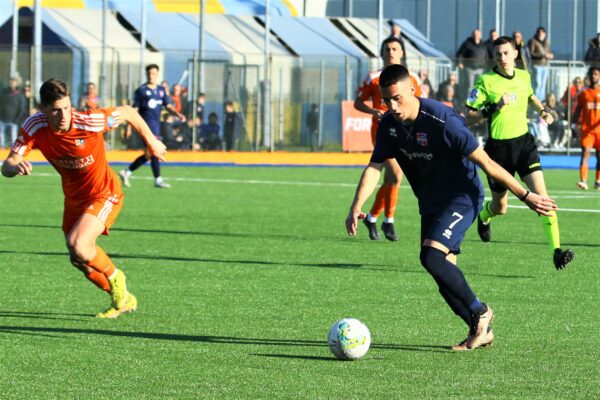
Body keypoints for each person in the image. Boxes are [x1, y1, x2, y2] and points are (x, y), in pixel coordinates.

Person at [346, 64, 558, 350]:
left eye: (397, 98)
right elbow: (374, 168)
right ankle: (480, 330)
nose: (392, 106)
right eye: (386, 100)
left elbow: (487, 164)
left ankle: (481, 310)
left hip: (463, 196)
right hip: (431, 201)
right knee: (441, 270)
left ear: (412, 89)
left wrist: (526, 195)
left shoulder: (443, 119)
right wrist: (355, 206)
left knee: (431, 256)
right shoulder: (389, 125)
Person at [1, 78, 167, 318]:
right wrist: (15, 167)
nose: (64, 115)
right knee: (78, 259)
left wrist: (151, 141)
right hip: (74, 199)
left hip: (104, 193)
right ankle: (123, 298)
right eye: (56, 110)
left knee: (78, 244)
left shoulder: (90, 121)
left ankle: (116, 278)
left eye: (67, 107)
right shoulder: (34, 126)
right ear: (44, 109)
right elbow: (7, 165)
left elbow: (129, 112)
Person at [465, 36, 573, 270]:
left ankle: (556, 251)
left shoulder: (524, 76)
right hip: (498, 151)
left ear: (515, 54)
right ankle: (485, 216)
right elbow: (468, 116)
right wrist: (495, 107)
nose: (502, 58)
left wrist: (543, 111)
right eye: (498, 54)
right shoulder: (486, 81)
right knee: (500, 207)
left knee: (543, 198)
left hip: (524, 145)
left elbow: (531, 96)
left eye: (506, 53)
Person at [354, 36, 421, 241]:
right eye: (387, 49)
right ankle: (388, 220)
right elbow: (358, 103)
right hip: (383, 133)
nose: (391, 52)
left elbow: (420, 102)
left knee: (391, 179)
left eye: (395, 49)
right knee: (395, 175)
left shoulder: (412, 79)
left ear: (402, 53)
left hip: (406, 132)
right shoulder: (373, 77)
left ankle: (373, 216)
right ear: (382, 54)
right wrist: (374, 111)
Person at [119, 64, 185, 189]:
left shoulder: (161, 90)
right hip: (145, 127)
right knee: (154, 151)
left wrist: (177, 113)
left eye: (153, 73)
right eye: (149, 73)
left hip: (156, 126)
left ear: (157, 74)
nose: (151, 76)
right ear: (146, 74)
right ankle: (158, 179)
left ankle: (127, 172)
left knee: (149, 154)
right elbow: (134, 110)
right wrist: (128, 127)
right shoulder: (141, 91)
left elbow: (168, 105)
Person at [572, 66, 600, 191]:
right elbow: (578, 110)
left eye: (596, 74)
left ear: (599, 76)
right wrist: (573, 125)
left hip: (599, 130)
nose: (593, 76)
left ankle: (598, 181)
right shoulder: (583, 93)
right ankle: (583, 181)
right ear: (588, 76)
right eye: (592, 74)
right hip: (587, 130)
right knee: (585, 153)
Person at [456, 29, 489, 103]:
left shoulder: (483, 44)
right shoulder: (467, 43)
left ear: (480, 35)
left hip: (480, 69)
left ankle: (478, 100)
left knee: (479, 85)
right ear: (472, 35)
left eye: (477, 34)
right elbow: (460, 53)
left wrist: (485, 66)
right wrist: (460, 62)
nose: (476, 35)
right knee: (470, 86)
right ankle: (471, 101)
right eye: (474, 34)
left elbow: (486, 56)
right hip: (470, 68)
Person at [0, 76, 28, 148]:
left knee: (13, 136)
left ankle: (13, 149)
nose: (11, 82)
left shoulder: (20, 95)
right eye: (10, 81)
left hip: (14, 120)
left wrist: (16, 120)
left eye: (13, 81)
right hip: (3, 119)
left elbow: (21, 109)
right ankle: (2, 148)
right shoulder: (4, 93)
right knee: (1, 135)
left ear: (17, 83)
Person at [528, 27, 554, 101]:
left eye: (542, 32)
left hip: (545, 66)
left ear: (545, 33)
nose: (540, 33)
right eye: (539, 32)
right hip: (536, 65)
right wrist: (543, 55)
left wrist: (550, 55)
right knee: (537, 84)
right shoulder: (533, 41)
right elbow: (531, 53)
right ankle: (535, 100)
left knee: (543, 85)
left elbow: (548, 51)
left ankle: (541, 101)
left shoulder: (547, 42)